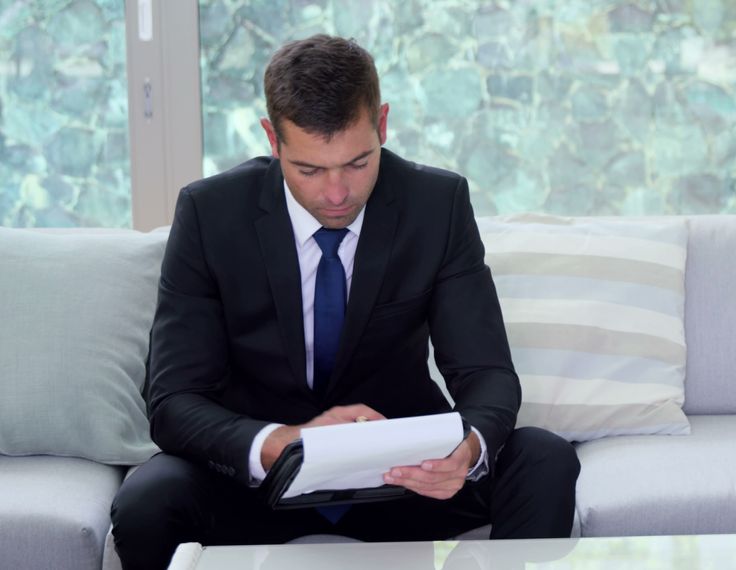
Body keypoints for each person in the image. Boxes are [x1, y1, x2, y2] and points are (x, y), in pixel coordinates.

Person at [110, 34, 580, 570]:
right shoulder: (209, 213)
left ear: (382, 125)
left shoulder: (437, 205)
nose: (336, 194)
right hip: (261, 480)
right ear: (273, 139)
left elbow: (487, 371)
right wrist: (283, 441)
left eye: (357, 163)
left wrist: (465, 450)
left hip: (403, 480)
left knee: (544, 459)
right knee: (148, 500)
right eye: (309, 170)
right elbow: (173, 400)